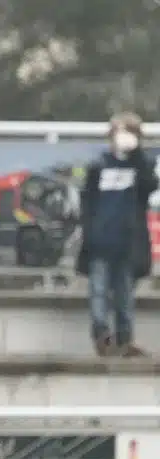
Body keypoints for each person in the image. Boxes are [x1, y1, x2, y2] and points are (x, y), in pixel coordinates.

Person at [76, 111, 156, 357]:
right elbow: (87, 201)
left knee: (124, 293)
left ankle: (125, 338)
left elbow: (150, 185)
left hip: (128, 241)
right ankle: (101, 334)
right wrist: (89, 231)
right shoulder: (98, 165)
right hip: (101, 239)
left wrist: (136, 154)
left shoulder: (140, 166)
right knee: (98, 289)